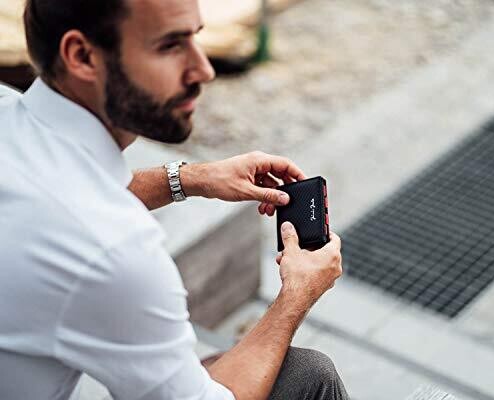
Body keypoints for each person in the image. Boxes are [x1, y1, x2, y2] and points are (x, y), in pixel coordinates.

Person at [0, 0, 349, 399]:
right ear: (81, 56)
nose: (204, 70)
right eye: (169, 46)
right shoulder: (113, 251)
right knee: (310, 376)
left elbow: (66, 199)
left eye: (195, 38)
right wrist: (296, 295)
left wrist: (189, 178)